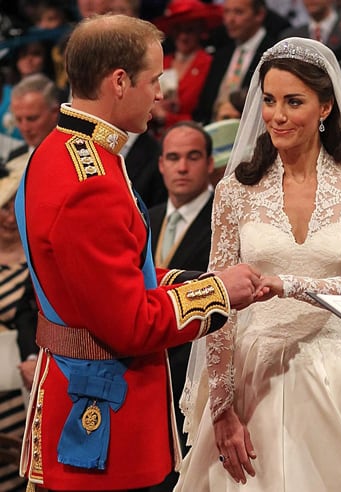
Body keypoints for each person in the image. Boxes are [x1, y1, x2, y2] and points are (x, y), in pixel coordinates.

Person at [17, 14, 267, 491]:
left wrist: (190, 277)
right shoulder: (91, 184)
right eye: (153, 79)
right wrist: (217, 295)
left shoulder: (60, 150)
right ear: (119, 81)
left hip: (76, 386)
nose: (159, 93)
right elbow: (131, 323)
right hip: (101, 409)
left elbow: (113, 275)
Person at [175, 37, 341, 491]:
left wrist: (288, 284)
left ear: (325, 107)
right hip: (253, 370)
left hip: (333, 372)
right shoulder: (235, 190)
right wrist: (220, 406)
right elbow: (218, 303)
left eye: (294, 102)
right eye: (270, 101)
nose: (276, 115)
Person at [148, 121, 215, 492]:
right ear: (161, 165)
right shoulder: (146, 217)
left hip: (190, 370)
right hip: (143, 369)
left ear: (209, 163)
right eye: (173, 158)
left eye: (192, 157)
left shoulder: (222, 220)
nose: (182, 167)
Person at [0, 162, 38, 492]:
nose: (9, 218)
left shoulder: (37, 256)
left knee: (16, 462)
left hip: (21, 374)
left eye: (14, 208)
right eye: (3, 208)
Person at [193, 0, 276, 125]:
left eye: (238, 12)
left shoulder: (274, 54)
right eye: (226, 12)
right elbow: (204, 106)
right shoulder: (221, 53)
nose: (229, 19)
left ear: (259, 14)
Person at [151, 0, 222, 133]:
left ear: (201, 31)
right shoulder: (162, 61)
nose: (183, 36)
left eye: (189, 30)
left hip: (192, 133)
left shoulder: (210, 64)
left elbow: (204, 114)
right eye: (178, 29)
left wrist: (166, 117)